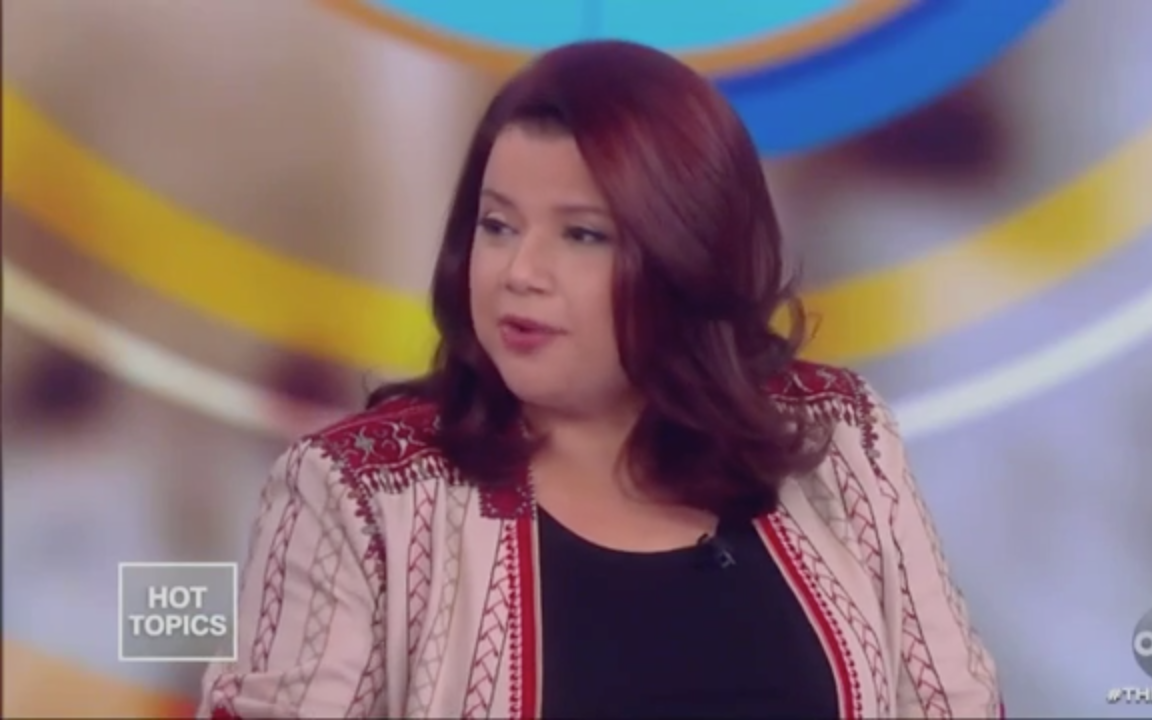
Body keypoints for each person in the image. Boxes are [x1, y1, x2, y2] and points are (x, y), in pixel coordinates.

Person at [199, 39, 1002, 719]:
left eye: (582, 235)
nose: (520, 271)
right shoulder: (358, 494)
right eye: (497, 225)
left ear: (687, 251)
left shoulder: (838, 437)